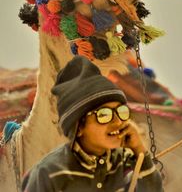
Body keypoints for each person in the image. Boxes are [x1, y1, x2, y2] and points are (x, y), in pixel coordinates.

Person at [22, 56, 163, 192]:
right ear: (79, 126)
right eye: (104, 115)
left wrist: (140, 151)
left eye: (121, 111)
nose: (118, 121)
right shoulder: (48, 173)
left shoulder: (124, 162)